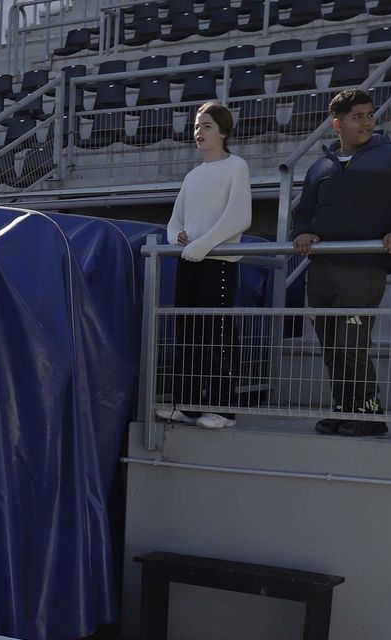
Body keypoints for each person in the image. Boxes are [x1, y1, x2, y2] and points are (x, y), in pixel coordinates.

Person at [291, 88, 391, 437]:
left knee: (352, 344)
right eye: (359, 117)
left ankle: (369, 413)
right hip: (322, 269)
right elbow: (304, 211)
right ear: (337, 123)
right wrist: (303, 232)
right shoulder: (319, 167)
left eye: (371, 115)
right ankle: (343, 409)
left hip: (364, 268)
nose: (368, 122)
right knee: (330, 347)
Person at [160, 101, 252, 429]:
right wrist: (179, 238)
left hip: (219, 263)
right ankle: (186, 403)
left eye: (207, 126)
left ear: (223, 131)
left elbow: (240, 216)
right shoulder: (193, 175)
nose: (199, 132)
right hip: (190, 262)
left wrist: (204, 244)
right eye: (198, 126)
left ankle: (222, 408)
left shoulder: (236, 167)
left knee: (217, 334)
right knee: (188, 332)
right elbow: (175, 222)